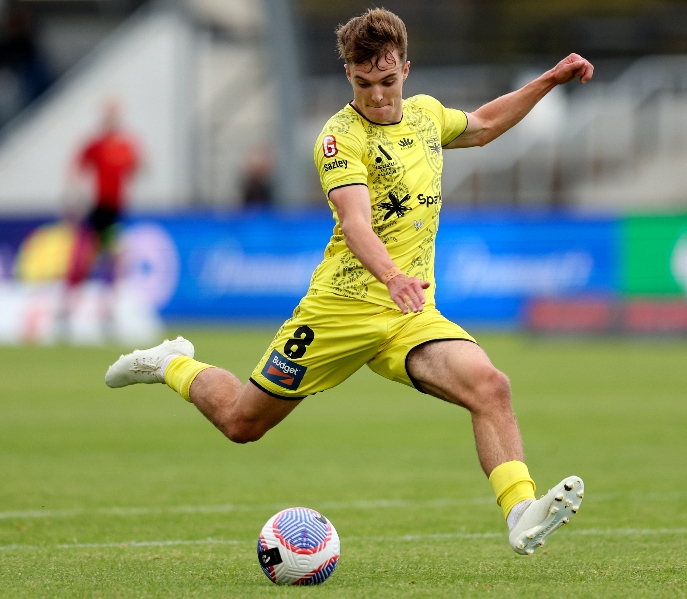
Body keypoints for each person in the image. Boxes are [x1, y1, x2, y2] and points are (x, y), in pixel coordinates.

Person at [105, 8, 593, 555]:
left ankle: (520, 511)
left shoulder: (426, 116)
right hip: (340, 309)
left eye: (388, 82)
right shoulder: (339, 138)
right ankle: (172, 361)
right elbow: (355, 222)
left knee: (491, 386)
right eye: (364, 84)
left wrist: (549, 81)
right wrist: (391, 275)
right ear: (348, 76)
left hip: (406, 314)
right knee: (243, 423)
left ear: (406, 69)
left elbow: (482, 126)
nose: (378, 96)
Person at [62, 100, 140, 336]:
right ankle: (67, 310)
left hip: (114, 213)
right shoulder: (96, 145)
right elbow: (77, 169)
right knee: (83, 258)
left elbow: (133, 170)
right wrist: (74, 198)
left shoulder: (125, 146)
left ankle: (107, 311)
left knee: (115, 260)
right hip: (96, 210)